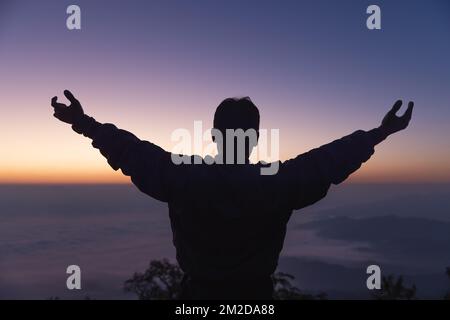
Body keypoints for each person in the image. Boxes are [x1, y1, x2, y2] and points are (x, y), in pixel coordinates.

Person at [51, 90, 414, 299]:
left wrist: (84, 124)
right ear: (255, 138)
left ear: (213, 135)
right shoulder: (278, 183)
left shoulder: (184, 178)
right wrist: (380, 133)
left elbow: (131, 151)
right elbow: (327, 162)